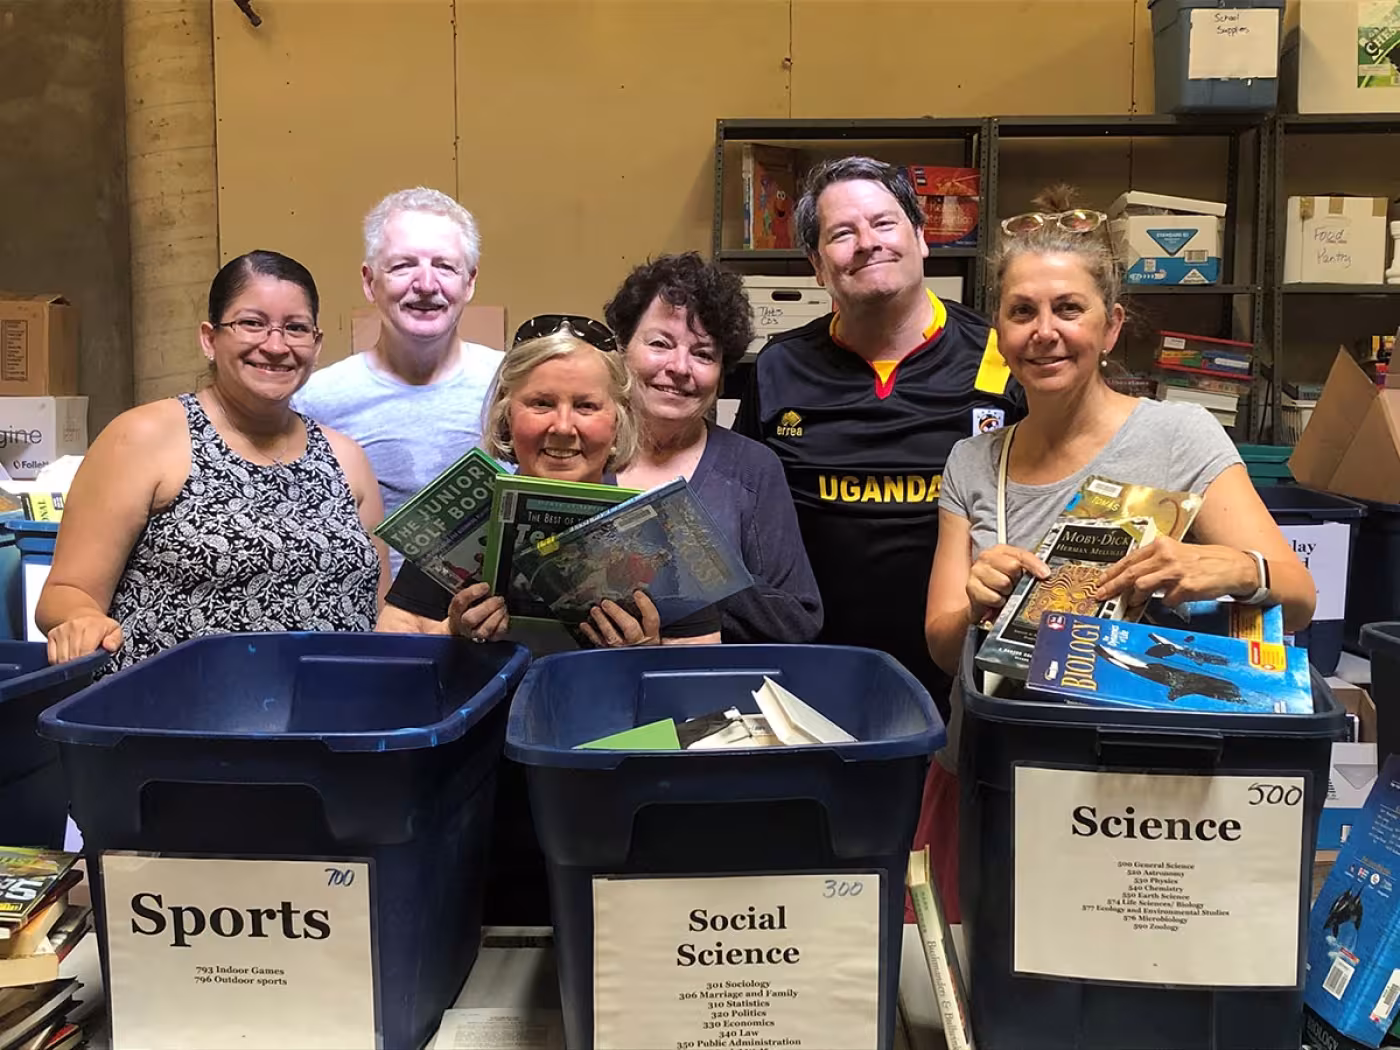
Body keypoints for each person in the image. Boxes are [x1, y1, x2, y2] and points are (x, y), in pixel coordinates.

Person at [919, 188, 1317, 920]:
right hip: (990, 771)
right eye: (1022, 311)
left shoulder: (1181, 437)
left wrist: (1230, 567)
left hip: (1129, 791)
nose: (1045, 332)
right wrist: (977, 601)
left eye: (1069, 309)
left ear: (1110, 328)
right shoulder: (972, 463)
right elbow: (946, 648)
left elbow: (1298, 597)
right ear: (999, 336)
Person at [734, 156, 1024, 711]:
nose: (868, 243)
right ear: (817, 265)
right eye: (842, 234)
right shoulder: (778, 367)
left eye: (885, 224)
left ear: (920, 239)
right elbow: (747, 510)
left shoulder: (1003, 354)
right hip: (810, 676)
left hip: (965, 674)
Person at [38, 250, 389, 672]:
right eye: (251, 323)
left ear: (315, 345)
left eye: (295, 328)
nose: (275, 345)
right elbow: (66, 590)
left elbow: (380, 616)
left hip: (330, 723)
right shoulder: (144, 437)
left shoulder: (347, 459)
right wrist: (81, 621)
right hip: (174, 721)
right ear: (210, 338)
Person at [375, 325, 723, 649]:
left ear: (618, 422)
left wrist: (645, 654)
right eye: (541, 403)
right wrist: (452, 636)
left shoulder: (666, 531)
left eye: (586, 406)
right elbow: (392, 664)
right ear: (507, 416)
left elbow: (700, 692)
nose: (562, 426)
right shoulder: (454, 525)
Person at [603, 252, 822, 643]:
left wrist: (693, 583)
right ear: (623, 346)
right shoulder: (585, 452)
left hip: (715, 695)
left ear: (722, 372)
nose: (680, 367)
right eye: (659, 343)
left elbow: (798, 619)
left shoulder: (753, 468)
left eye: (703, 353)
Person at [291, 187, 504, 575]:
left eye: (445, 266)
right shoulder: (315, 402)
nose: (425, 284)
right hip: (371, 626)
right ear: (369, 281)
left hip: (492, 621)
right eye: (403, 265)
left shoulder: (513, 387)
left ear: (470, 282)